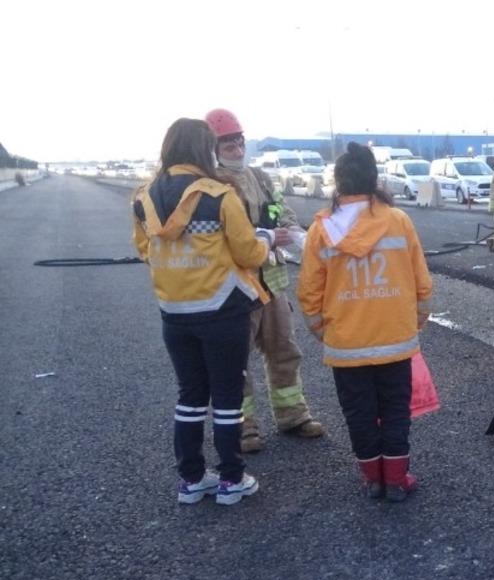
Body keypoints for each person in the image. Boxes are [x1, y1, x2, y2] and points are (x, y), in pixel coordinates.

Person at [131, 118, 274, 505]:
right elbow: (248, 253)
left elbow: (145, 250)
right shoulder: (218, 195)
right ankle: (232, 478)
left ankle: (192, 479)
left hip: (173, 313)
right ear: (203, 150)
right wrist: (267, 240)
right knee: (227, 396)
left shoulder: (143, 198)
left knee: (190, 396)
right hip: (222, 310)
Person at [297, 143, 434, 502]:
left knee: (358, 412)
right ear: (374, 179)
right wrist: (415, 322)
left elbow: (309, 291)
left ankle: (373, 479)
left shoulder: (322, 229)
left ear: (338, 182)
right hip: (395, 339)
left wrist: (322, 331)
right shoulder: (397, 220)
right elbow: (422, 281)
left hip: (346, 345)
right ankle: (396, 479)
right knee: (394, 411)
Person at [205, 108, 325, 452]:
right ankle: (243, 429)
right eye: (227, 141)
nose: (236, 147)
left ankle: (293, 416)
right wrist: (267, 234)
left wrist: (296, 235)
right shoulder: (210, 184)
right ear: (213, 146)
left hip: (271, 282)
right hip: (236, 286)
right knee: (235, 363)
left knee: (284, 351)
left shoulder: (259, 177)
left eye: (239, 139)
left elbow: (281, 210)